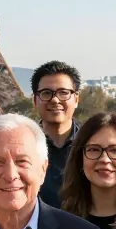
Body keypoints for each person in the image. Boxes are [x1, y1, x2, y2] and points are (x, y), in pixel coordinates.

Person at [31, 60, 82, 207]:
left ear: (76, 99)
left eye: (63, 93)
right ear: (35, 100)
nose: (54, 100)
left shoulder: (92, 144)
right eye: (46, 93)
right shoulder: (23, 146)